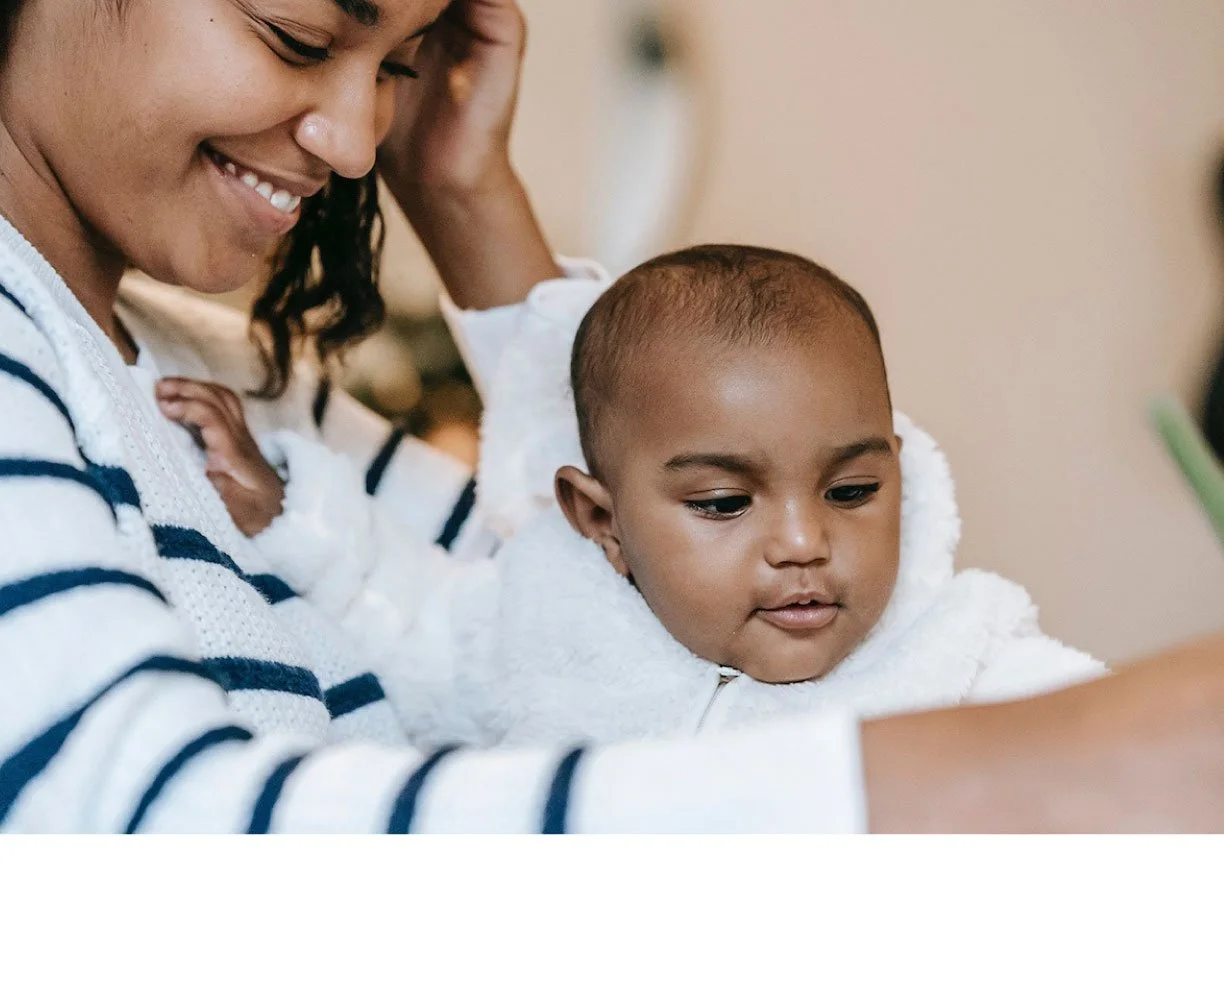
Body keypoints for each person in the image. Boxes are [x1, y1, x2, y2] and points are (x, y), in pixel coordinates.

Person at [0, 0, 1222, 833]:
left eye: (400, 65)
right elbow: (133, 829)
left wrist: (466, 193)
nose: (360, 139)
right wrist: (1044, 769)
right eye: (299, 34)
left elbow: (581, 632)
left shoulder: (233, 383)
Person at [189, 244, 1103, 749]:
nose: (802, 541)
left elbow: (1124, 759)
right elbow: (408, 631)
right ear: (601, 520)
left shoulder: (966, 661)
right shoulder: (546, 635)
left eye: (853, 488)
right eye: (721, 504)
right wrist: (288, 513)